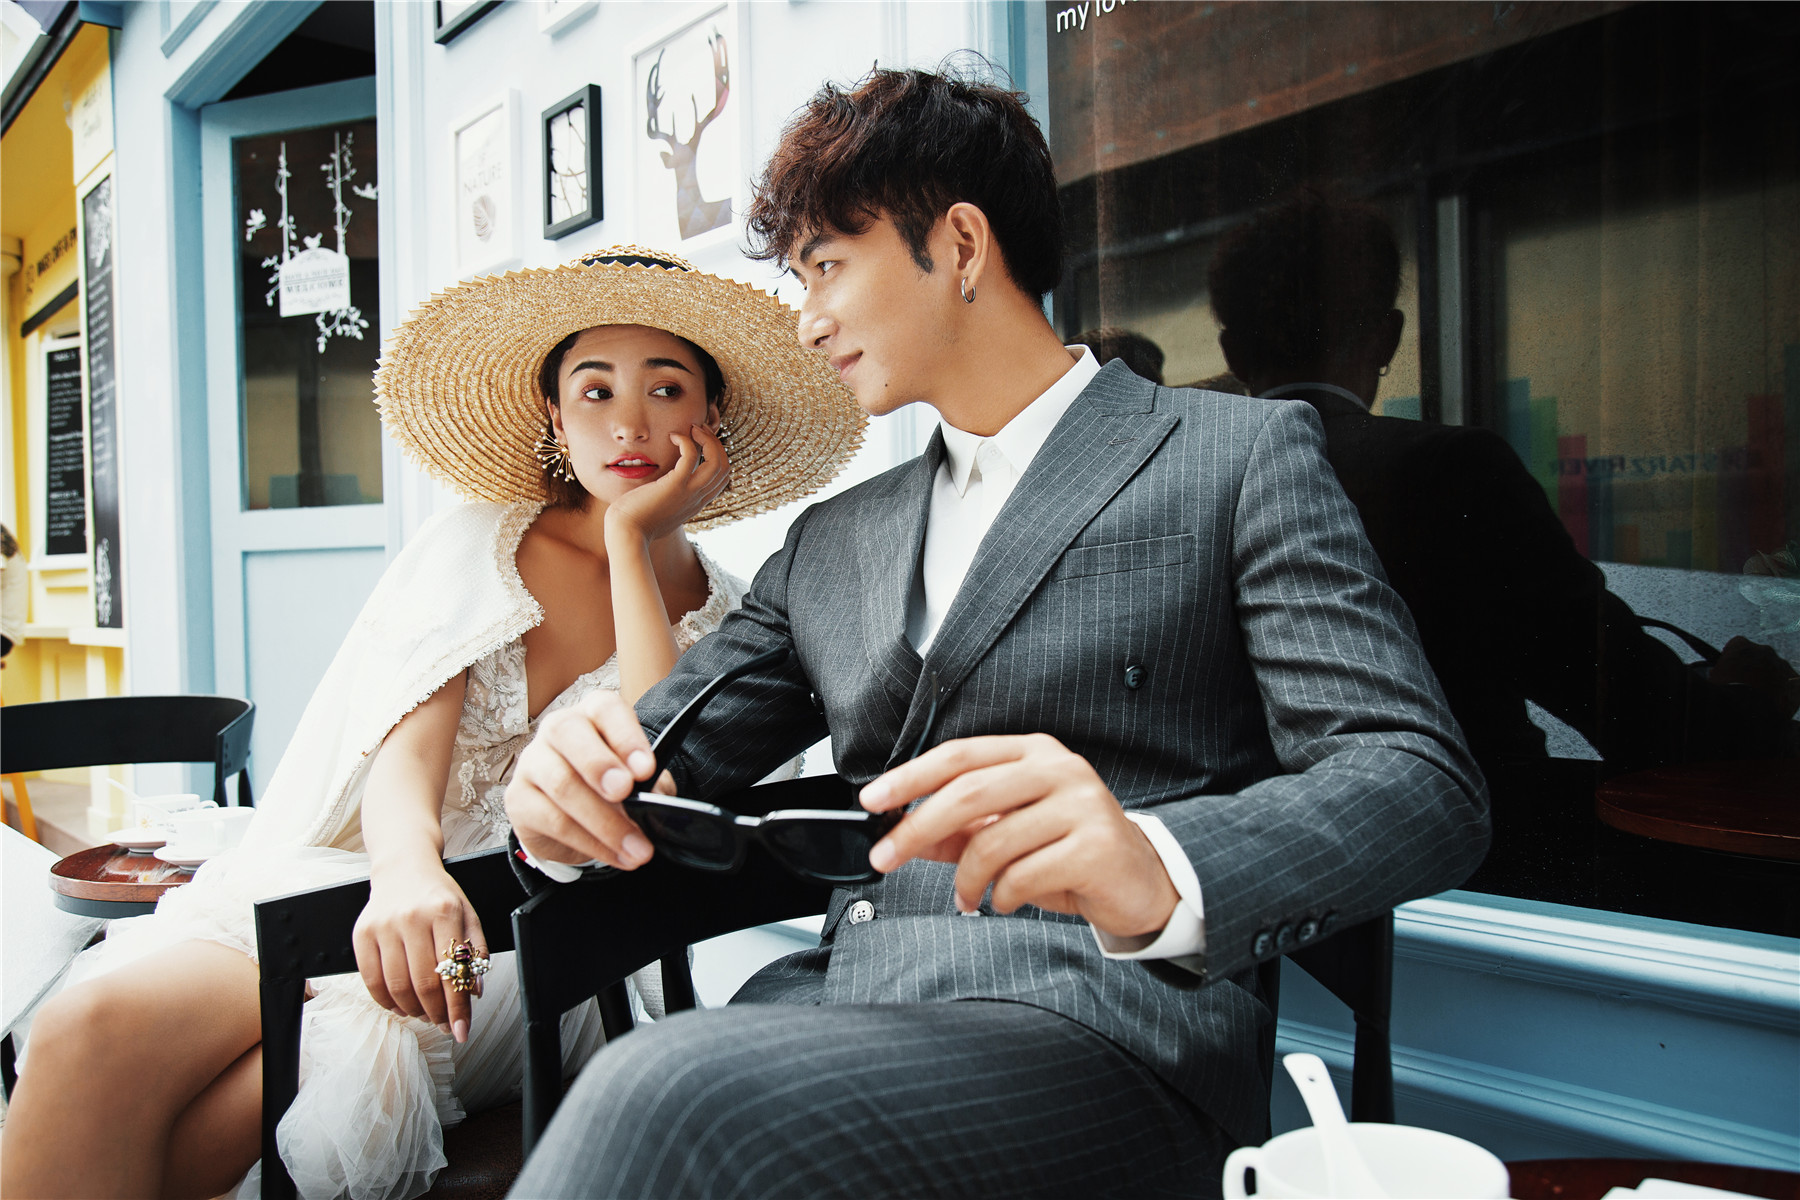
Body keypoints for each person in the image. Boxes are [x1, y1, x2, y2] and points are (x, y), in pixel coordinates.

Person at [501, 69, 1488, 1199]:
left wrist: (1158, 864)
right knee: (668, 1092)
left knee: (664, 1092)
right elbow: (654, 756)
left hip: (1107, 1032)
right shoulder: (834, 541)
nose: (808, 318)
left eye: (827, 265)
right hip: (840, 1018)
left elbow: (1419, 779)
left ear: (961, 244)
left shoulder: (1234, 457)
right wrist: (558, 799)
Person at [0, 248, 863, 1200]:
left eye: (666, 389)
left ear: (712, 416)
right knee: (89, 1034)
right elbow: (404, 762)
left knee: (228, 1115)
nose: (629, 423)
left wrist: (631, 539)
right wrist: (407, 875)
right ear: (554, 415)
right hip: (377, 879)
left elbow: (654, 780)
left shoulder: (735, 617)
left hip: (542, 942)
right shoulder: (480, 541)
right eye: (595, 391)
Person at [1206, 191, 1797, 903]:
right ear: (1389, 338)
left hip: (1254, 876)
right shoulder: (1451, 470)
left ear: (1233, 353)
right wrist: (1748, 699)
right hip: (1475, 879)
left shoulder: (1189, 485)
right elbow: (1637, 711)